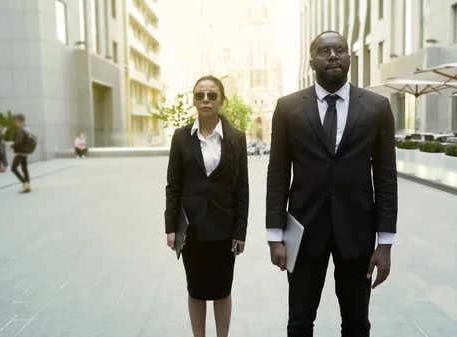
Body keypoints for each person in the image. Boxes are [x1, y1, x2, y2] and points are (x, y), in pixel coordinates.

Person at [265, 31, 398, 337]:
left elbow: (386, 177)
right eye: (324, 50)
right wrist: (275, 235)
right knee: (299, 322)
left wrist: (385, 243)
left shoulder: (377, 107)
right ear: (312, 60)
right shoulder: (287, 108)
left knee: (356, 323)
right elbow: (278, 173)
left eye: (340, 49)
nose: (333, 55)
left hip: (357, 233)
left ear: (349, 57)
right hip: (304, 231)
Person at [164, 75, 249, 337]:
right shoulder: (180, 137)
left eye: (212, 95)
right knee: (196, 290)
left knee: (222, 290)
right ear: (194, 100)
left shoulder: (236, 138)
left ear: (222, 100)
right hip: (192, 230)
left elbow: (242, 188)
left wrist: (240, 231)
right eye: (200, 95)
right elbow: (173, 186)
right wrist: (171, 227)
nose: (205, 100)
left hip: (224, 230)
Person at [9, 114, 32, 193]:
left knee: (13, 168)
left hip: (21, 152)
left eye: (15, 121)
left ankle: (25, 183)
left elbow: (19, 141)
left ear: (18, 121)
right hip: (26, 152)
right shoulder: (26, 128)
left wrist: (11, 146)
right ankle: (27, 185)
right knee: (24, 168)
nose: (14, 123)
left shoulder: (20, 129)